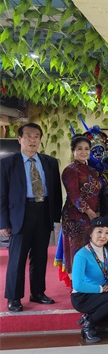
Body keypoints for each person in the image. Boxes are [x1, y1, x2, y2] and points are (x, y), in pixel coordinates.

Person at [1, 123, 62, 312]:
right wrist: (3, 222)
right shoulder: (7, 164)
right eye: (28, 136)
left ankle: (38, 292)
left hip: (43, 212)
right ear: (19, 139)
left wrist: (55, 217)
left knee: (40, 256)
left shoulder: (50, 162)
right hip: (20, 214)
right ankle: (14, 297)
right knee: (17, 258)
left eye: (36, 136)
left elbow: (56, 192)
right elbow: (1, 195)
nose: (32, 140)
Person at [71, 217, 108, 343]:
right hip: (84, 296)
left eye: (107, 233)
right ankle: (88, 325)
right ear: (90, 233)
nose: (103, 236)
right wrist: (101, 289)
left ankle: (90, 315)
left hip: (106, 293)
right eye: (99, 232)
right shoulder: (81, 255)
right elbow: (78, 285)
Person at [58, 135, 103, 285]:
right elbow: (74, 195)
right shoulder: (70, 170)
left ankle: (89, 283)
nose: (84, 152)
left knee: (91, 249)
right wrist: (89, 212)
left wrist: (97, 212)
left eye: (86, 149)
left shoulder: (92, 170)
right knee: (77, 251)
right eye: (79, 149)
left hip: (92, 217)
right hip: (75, 218)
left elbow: (97, 193)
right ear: (73, 151)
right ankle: (77, 285)